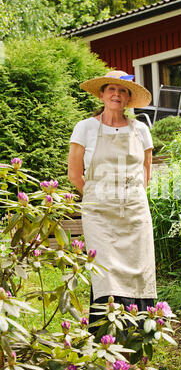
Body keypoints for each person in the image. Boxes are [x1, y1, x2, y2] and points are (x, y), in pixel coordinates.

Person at [67, 70, 157, 337]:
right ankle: (105, 335)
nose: (117, 94)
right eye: (111, 90)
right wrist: (97, 196)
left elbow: (145, 172)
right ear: (103, 95)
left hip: (135, 212)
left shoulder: (140, 129)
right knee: (104, 271)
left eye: (123, 91)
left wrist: (130, 197)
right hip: (99, 214)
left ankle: (139, 333)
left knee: (139, 269)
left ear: (129, 98)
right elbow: (74, 174)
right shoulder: (85, 127)